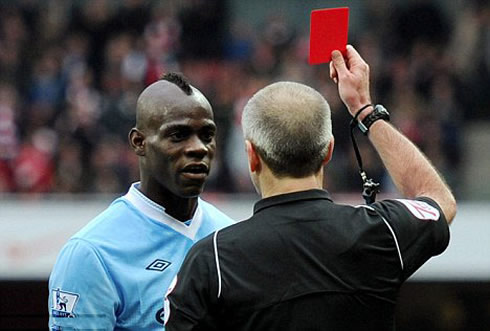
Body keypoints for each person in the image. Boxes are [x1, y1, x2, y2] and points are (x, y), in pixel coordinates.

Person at [164, 45, 456, 330]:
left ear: (252, 156)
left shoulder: (212, 259)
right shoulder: (379, 232)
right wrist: (365, 111)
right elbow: (439, 201)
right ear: (328, 151)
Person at [48, 73, 234, 330]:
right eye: (178, 135)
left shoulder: (230, 237)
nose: (199, 148)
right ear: (139, 142)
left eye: (207, 135)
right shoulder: (91, 254)